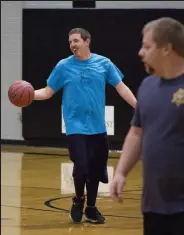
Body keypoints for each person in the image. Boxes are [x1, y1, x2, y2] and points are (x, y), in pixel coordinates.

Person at [33, 28, 136, 224]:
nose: (72, 45)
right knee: (81, 166)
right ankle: (79, 200)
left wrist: (139, 107)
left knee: (96, 169)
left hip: (98, 127)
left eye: (76, 41)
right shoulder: (63, 66)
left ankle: (91, 208)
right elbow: (47, 92)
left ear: (87, 41)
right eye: (70, 42)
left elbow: (121, 87)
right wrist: (29, 94)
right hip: (75, 126)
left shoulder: (104, 63)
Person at [110, 17, 184, 235]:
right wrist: (121, 172)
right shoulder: (147, 86)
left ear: (166, 48)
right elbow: (136, 132)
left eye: (146, 46)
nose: (140, 53)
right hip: (154, 205)